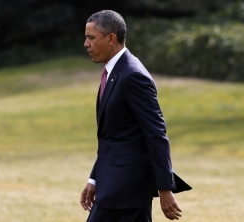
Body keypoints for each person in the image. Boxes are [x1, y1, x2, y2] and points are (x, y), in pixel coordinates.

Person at [79, 10, 191, 222]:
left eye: (91, 38)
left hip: (123, 188)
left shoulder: (133, 76)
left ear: (111, 38)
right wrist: (94, 179)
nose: (86, 44)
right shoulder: (113, 73)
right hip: (118, 183)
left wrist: (165, 188)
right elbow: (113, 136)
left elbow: (156, 134)